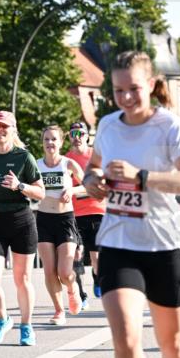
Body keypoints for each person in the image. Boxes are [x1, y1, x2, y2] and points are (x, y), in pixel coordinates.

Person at [82, 51, 180, 358]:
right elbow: (92, 170)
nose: (126, 98)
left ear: (150, 84)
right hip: (118, 242)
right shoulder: (108, 126)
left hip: (165, 244)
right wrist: (94, 181)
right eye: (118, 91)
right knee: (126, 336)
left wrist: (142, 176)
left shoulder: (170, 126)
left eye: (133, 88)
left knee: (172, 343)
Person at [0, 110, 44, 346]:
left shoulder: (24, 157)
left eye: (4, 127)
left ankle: (26, 326)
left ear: (13, 130)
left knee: (22, 278)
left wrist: (20, 185)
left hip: (21, 219)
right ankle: (3, 318)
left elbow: (40, 192)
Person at [35, 125, 84, 325]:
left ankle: (72, 290)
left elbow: (88, 184)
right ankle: (58, 311)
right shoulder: (36, 165)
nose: (50, 143)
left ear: (61, 142)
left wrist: (72, 191)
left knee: (64, 272)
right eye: (46, 139)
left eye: (54, 139)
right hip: (44, 219)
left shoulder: (68, 164)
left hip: (65, 220)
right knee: (49, 271)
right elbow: (28, 187)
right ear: (42, 142)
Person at [66, 120, 105, 297]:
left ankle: (97, 277)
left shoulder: (96, 157)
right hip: (74, 213)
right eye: (73, 134)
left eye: (80, 134)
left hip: (97, 211)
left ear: (87, 136)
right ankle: (81, 293)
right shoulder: (65, 160)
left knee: (96, 259)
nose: (77, 138)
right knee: (75, 254)